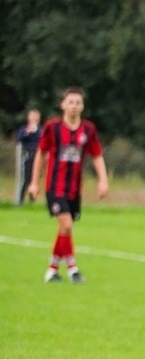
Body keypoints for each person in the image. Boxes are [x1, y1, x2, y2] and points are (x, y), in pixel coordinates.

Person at [26, 88, 108, 284]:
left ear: (82, 106)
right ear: (63, 104)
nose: (74, 106)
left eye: (78, 102)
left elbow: (96, 155)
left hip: (74, 189)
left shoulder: (88, 130)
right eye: (70, 102)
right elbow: (40, 154)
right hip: (54, 187)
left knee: (64, 230)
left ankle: (52, 270)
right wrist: (34, 182)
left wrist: (103, 180)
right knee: (67, 224)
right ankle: (73, 269)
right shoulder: (52, 127)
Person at [14, 108, 41, 206]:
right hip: (27, 157)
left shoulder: (41, 131)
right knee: (24, 180)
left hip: (37, 158)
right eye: (32, 116)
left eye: (35, 116)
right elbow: (18, 139)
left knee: (34, 180)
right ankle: (19, 202)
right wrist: (27, 132)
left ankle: (32, 202)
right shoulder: (24, 129)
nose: (34, 118)